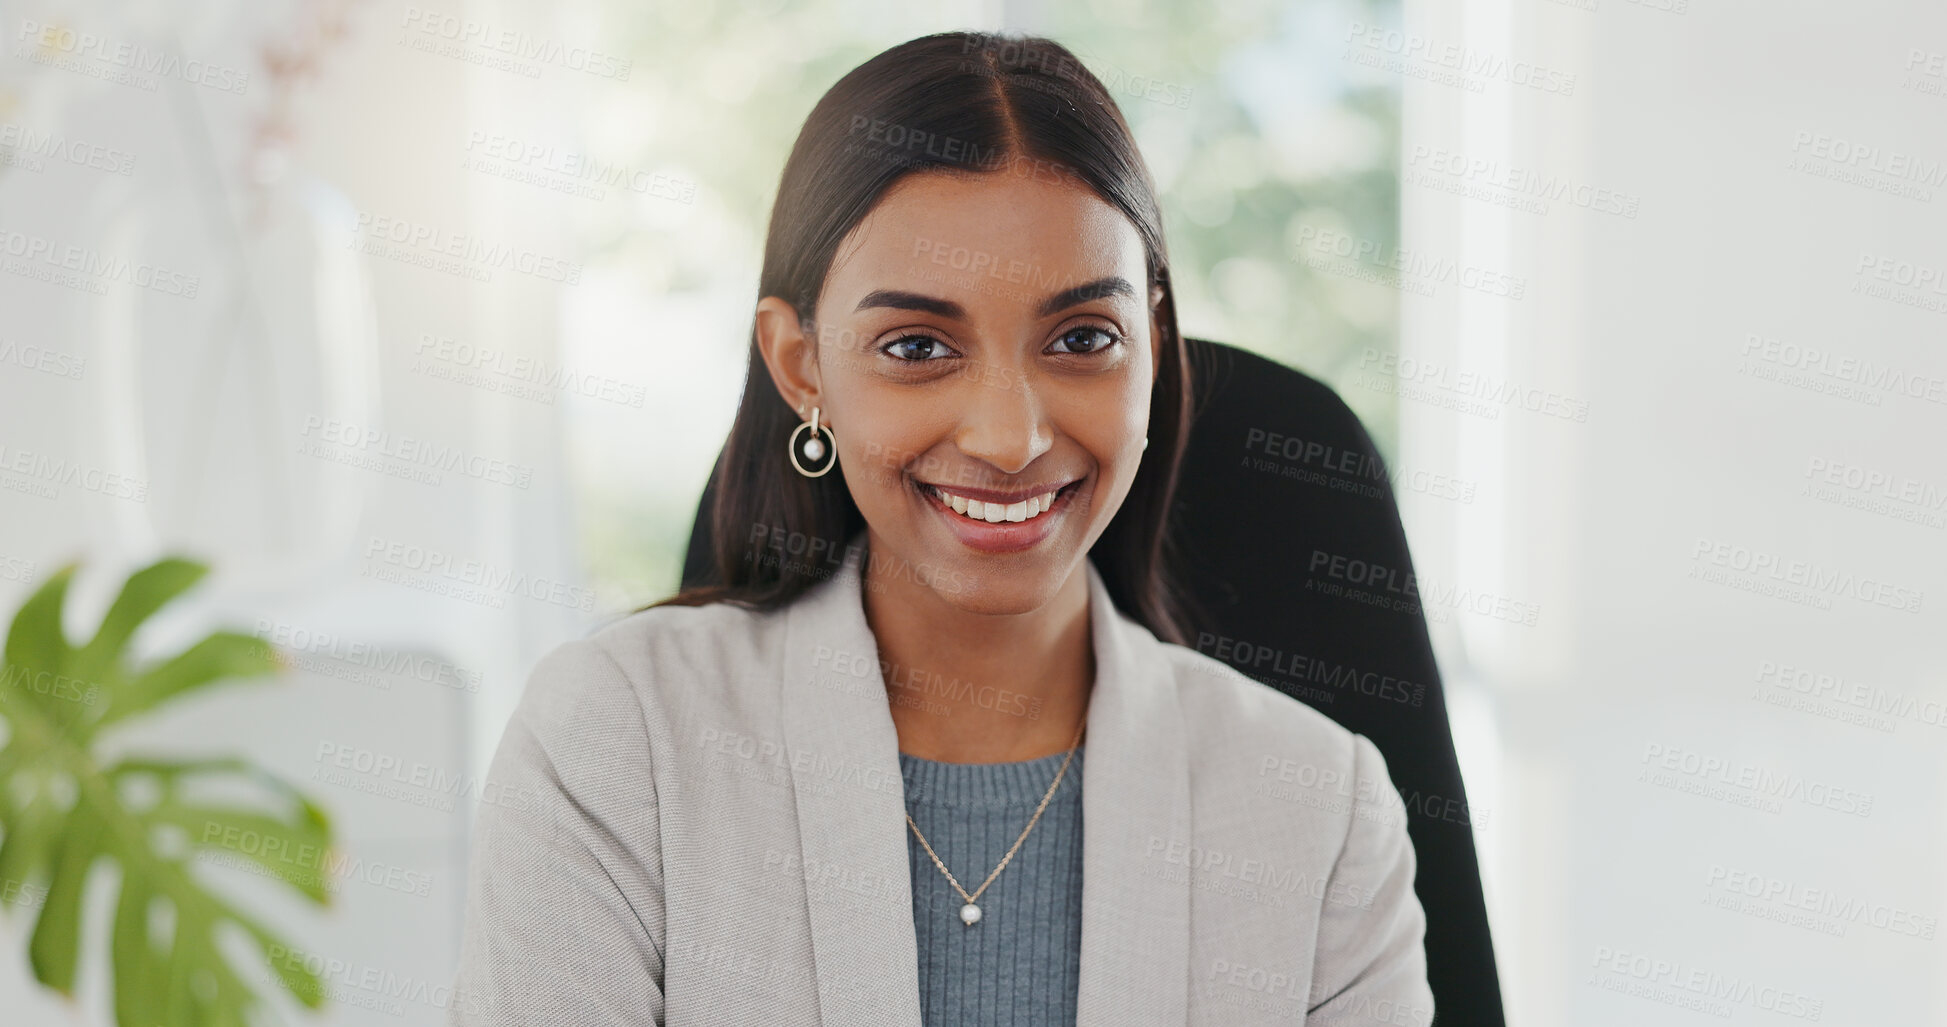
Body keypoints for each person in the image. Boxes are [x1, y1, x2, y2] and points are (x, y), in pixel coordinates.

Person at [448, 29, 1433, 1027]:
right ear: (802, 367)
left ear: (1155, 344)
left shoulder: (1318, 812)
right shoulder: (619, 745)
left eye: (1083, 338)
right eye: (917, 345)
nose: (1009, 438)